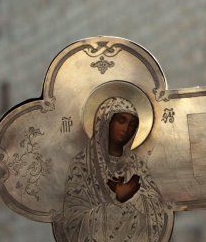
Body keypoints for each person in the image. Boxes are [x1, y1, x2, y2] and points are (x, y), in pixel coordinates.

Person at [58, 97, 168, 242]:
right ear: (106, 122)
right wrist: (118, 202)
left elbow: (156, 211)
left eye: (132, 125)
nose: (126, 129)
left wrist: (133, 198)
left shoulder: (137, 165)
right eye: (121, 121)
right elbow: (74, 221)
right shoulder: (83, 164)